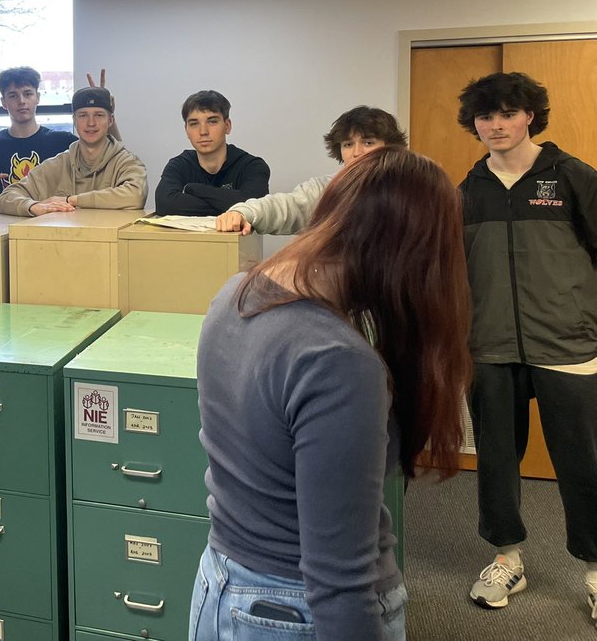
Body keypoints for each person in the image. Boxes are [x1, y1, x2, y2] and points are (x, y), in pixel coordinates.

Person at [191, 147, 472, 641]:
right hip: (291, 610)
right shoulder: (337, 361)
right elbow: (339, 581)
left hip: (221, 586)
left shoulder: (235, 293)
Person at [455, 72, 597, 618]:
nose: (496, 125)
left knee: (582, 461)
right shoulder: (468, 190)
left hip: (568, 343)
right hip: (490, 347)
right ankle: (506, 558)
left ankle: (594, 566)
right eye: (485, 116)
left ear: (530, 116)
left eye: (508, 113)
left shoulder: (572, 177)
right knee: (495, 458)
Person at [214, 105, 407, 235]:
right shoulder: (326, 189)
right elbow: (287, 206)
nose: (357, 153)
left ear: (389, 146)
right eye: (348, 144)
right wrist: (242, 212)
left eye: (368, 142)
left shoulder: (409, 190)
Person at [0, 86, 146, 216]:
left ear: (110, 120)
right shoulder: (57, 165)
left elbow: (136, 196)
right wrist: (33, 206)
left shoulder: (126, 162)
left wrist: (71, 200)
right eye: (83, 115)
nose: (91, 123)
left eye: (99, 115)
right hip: (62, 240)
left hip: (110, 240)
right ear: (74, 120)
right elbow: (5, 198)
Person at [153, 90, 269, 216]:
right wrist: (232, 207)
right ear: (186, 130)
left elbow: (254, 206)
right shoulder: (179, 165)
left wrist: (192, 189)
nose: (203, 131)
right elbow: (164, 204)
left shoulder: (252, 166)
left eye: (212, 121)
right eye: (194, 124)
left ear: (227, 126)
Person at [0, 66, 78, 197]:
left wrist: (99, 106)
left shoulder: (64, 142)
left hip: (57, 210)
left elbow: (99, 161)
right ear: (4, 102)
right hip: (6, 210)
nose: (21, 101)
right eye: (13, 96)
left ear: (37, 97)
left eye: (27, 94)